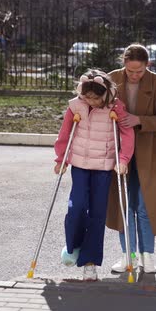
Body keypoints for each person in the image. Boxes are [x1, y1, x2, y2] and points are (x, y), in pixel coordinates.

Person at [54, 69, 134, 281]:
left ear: (105, 94)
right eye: (87, 97)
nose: (91, 102)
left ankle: (89, 263)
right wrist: (61, 158)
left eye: (95, 99)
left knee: (97, 214)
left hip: (105, 167)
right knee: (77, 207)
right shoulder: (76, 106)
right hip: (80, 164)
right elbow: (65, 133)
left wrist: (123, 159)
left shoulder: (116, 107)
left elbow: (127, 134)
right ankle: (73, 246)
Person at [106, 44, 156, 274]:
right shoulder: (112, 79)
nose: (135, 75)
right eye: (130, 71)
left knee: (145, 206)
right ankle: (128, 254)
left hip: (151, 151)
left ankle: (148, 256)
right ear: (124, 64)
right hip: (121, 152)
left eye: (139, 71)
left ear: (148, 65)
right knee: (124, 205)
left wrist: (139, 120)